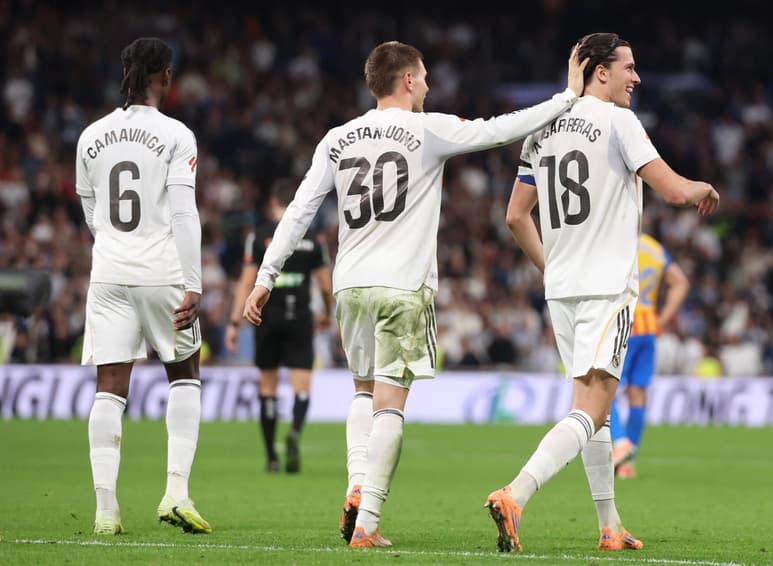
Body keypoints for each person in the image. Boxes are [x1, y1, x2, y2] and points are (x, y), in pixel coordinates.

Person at [243, 40, 587, 548]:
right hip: (402, 286)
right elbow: (500, 130)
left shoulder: (337, 139)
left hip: (350, 285)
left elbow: (297, 211)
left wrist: (265, 276)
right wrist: (566, 97)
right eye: (423, 77)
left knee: (362, 390)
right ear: (406, 80)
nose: (427, 85)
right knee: (390, 404)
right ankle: (368, 524)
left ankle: (356, 484)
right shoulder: (428, 130)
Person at [487, 32, 719, 553]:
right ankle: (516, 494)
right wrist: (702, 187)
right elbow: (675, 191)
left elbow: (515, 216)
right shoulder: (619, 122)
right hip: (608, 288)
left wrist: (551, 266)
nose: (637, 78)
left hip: (563, 288)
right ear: (599, 71)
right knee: (591, 409)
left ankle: (609, 526)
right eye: (629, 68)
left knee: (597, 410)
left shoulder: (541, 130)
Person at [76, 37, 211, 535]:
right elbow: (182, 212)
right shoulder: (177, 135)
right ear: (167, 77)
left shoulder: (90, 136)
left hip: (108, 271)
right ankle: (176, 492)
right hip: (162, 272)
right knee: (185, 375)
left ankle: (105, 510)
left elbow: (90, 208)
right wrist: (192, 282)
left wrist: (113, 244)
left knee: (109, 389)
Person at [225, 177, 334, 474]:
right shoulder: (313, 238)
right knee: (302, 385)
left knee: (268, 386)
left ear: (273, 202)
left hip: (266, 317)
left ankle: (272, 454)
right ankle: (295, 430)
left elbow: (247, 281)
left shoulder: (258, 236)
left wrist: (234, 323)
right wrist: (326, 311)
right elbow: (325, 285)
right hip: (300, 317)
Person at [611, 232, 689, 479]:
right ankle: (627, 462)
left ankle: (620, 442)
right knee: (638, 393)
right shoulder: (655, 249)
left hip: (621, 323)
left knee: (605, 390)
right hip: (648, 326)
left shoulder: (614, 241)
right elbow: (681, 282)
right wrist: (663, 319)